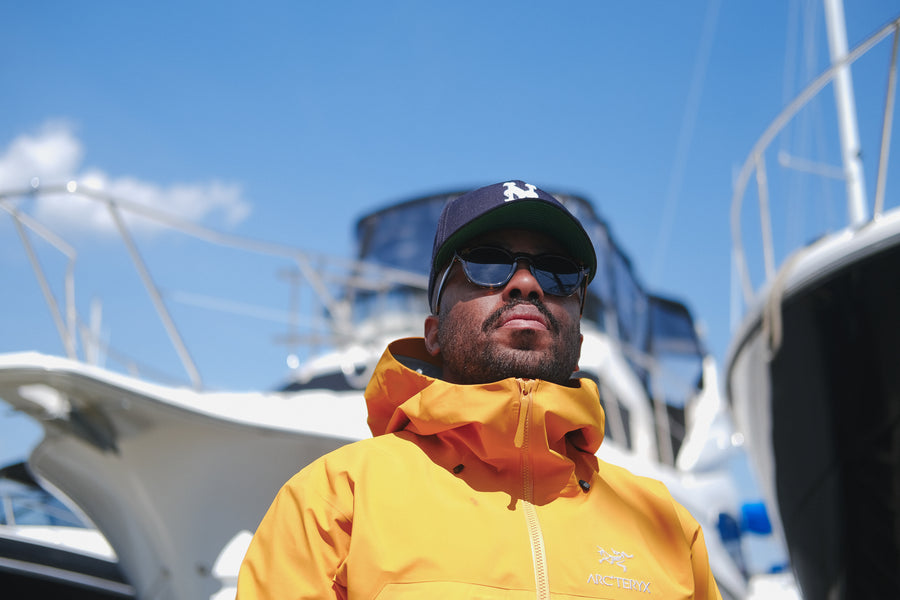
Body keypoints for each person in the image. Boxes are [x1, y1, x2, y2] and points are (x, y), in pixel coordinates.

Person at [237, 180, 723, 599]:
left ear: (578, 340)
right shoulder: (333, 502)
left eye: (557, 271)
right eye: (488, 263)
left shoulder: (669, 528)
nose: (528, 283)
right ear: (433, 332)